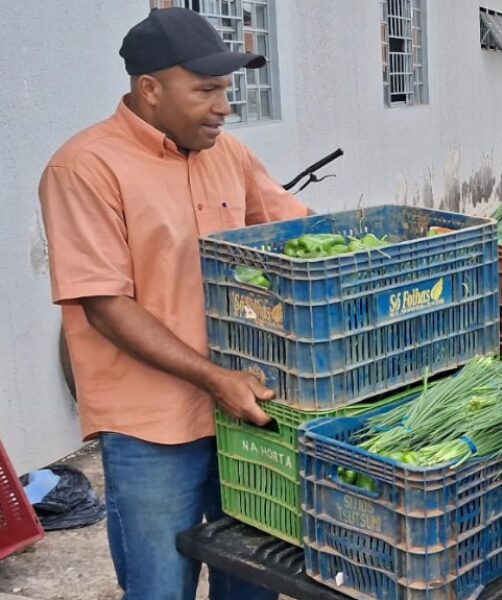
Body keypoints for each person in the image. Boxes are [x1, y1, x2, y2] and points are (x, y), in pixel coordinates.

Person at [38, 7, 309, 600]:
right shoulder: (85, 167)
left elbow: (298, 235)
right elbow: (104, 305)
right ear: (151, 88)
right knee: (160, 586)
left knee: (254, 578)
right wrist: (216, 378)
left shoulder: (229, 155)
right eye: (207, 90)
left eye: (227, 90)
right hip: (151, 430)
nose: (224, 107)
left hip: (246, 412)